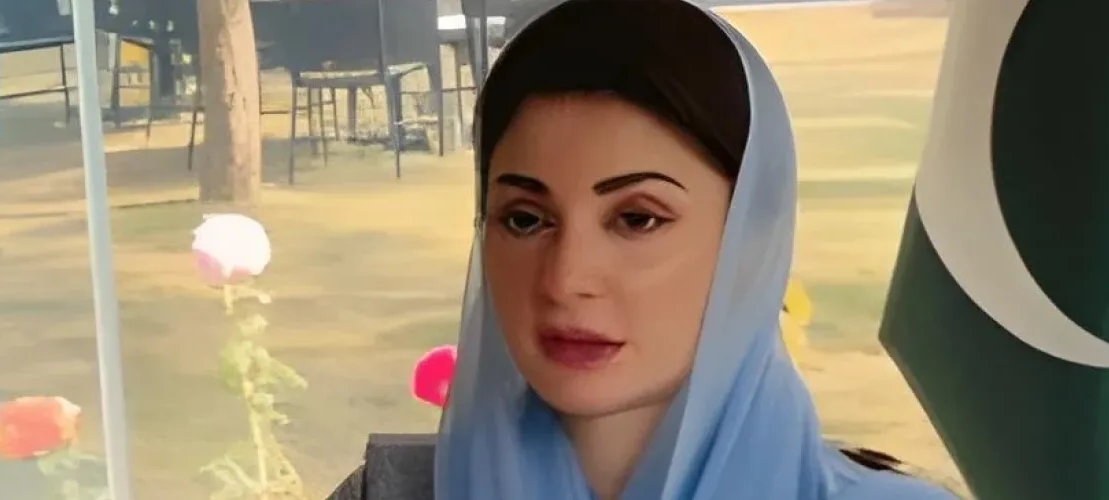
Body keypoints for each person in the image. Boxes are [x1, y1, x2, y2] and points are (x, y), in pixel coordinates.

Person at [328, 0, 959, 498]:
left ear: (752, 240)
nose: (565, 279)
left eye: (636, 219)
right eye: (524, 219)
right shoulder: (389, 494)